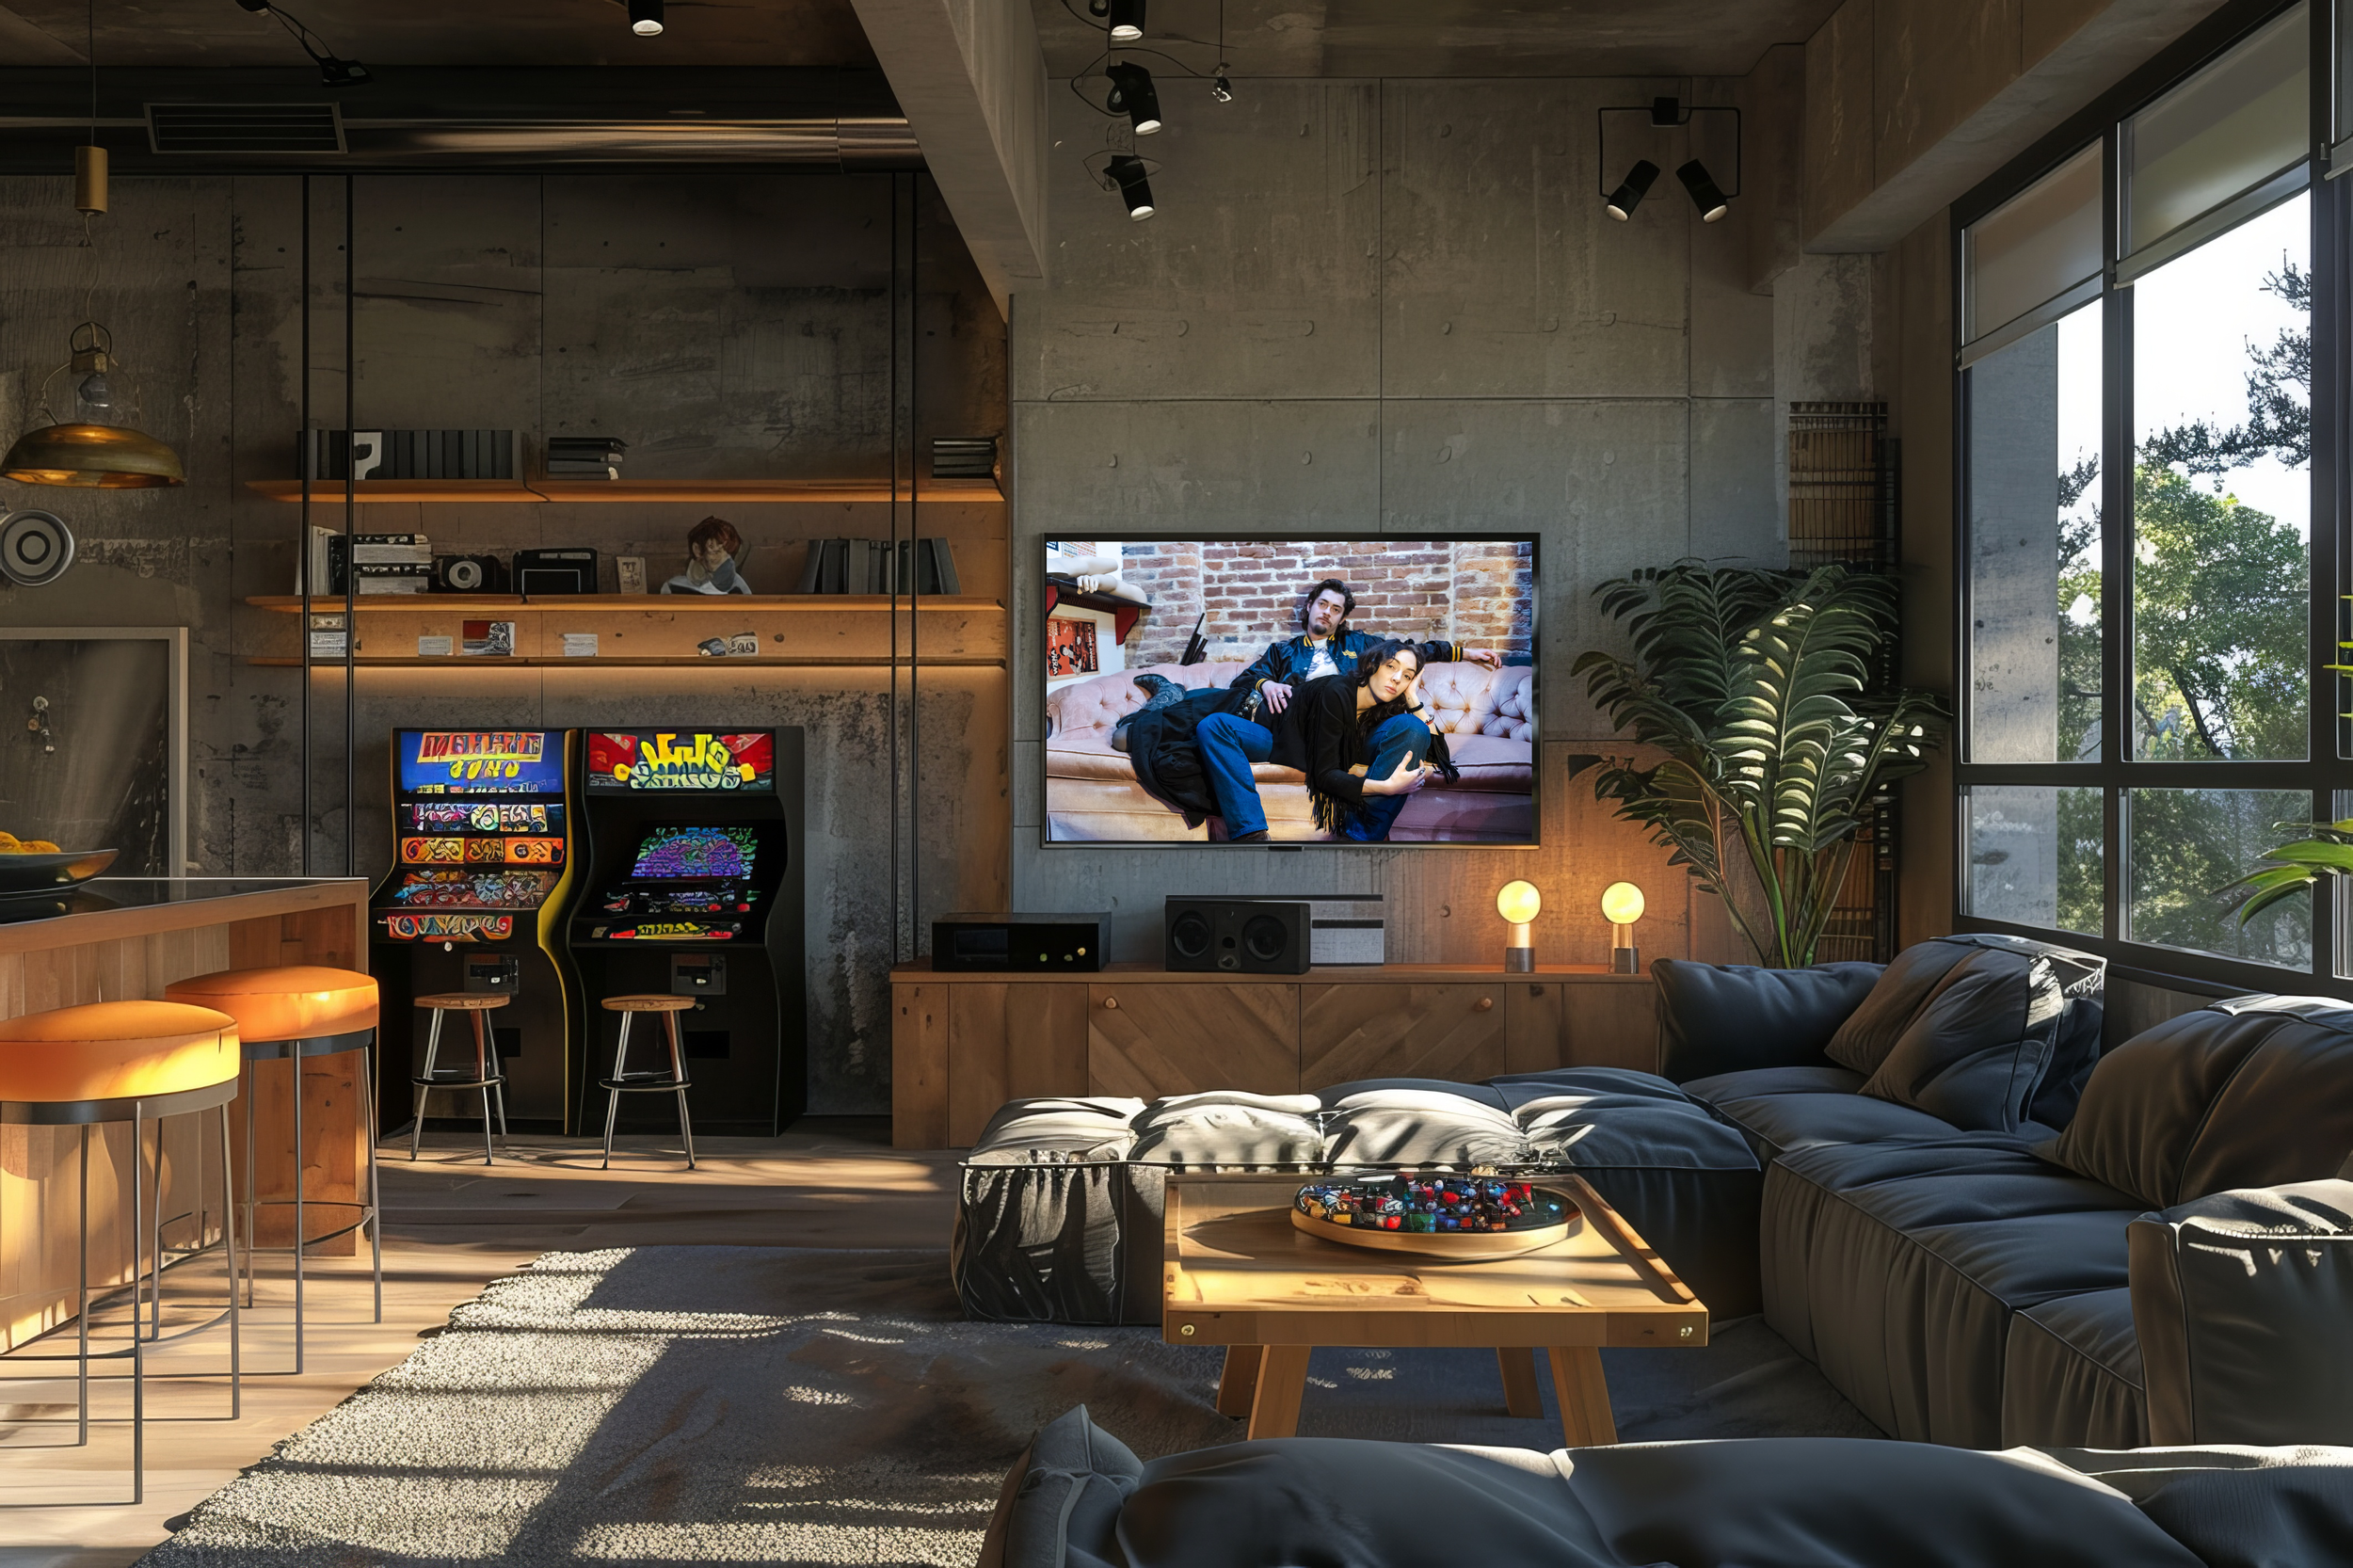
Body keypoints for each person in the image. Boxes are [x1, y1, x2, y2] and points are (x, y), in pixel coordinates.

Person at [1195, 639, 1455, 842]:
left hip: (1350, 745)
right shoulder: (1338, 691)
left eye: (1407, 676)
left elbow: (1438, 754)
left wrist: (1412, 698)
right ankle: (1251, 837)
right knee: (1213, 724)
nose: (1398, 679)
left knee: (1413, 728)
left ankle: (1355, 841)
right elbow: (1325, 774)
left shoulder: (1394, 706)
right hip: (1286, 739)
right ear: (1372, 664)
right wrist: (1385, 787)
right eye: (1391, 667)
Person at [662, 516, 752, 594]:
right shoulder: (672, 587)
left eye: (728, 553)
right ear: (697, 550)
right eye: (715, 551)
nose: (723, 559)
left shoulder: (740, 588)